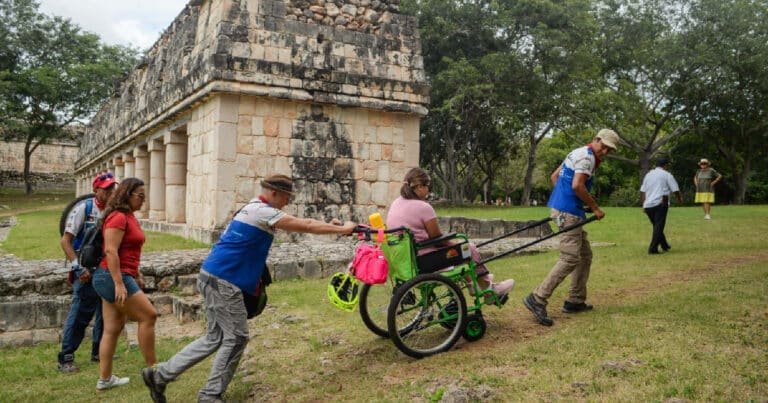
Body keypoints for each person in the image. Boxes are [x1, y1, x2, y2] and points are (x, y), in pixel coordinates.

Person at [142, 174, 356, 403]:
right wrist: (343, 230)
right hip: (225, 280)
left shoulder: (252, 207)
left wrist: (332, 226)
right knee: (237, 337)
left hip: (212, 275)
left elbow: (299, 221)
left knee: (215, 338)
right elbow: (305, 225)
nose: (287, 202)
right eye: (286, 197)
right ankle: (209, 395)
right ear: (274, 193)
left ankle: (160, 375)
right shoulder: (262, 212)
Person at [523, 128, 619, 326]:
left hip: (566, 209)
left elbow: (555, 177)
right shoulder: (588, 157)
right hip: (569, 214)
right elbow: (577, 186)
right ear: (596, 140)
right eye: (604, 147)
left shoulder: (577, 152)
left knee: (585, 255)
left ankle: (575, 300)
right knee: (569, 258)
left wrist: (565, 201)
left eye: (610, 150)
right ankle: (538, 298)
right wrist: (594, 207)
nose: (606, 152)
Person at [385, 168, 516, 299]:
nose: (429, 190)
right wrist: (455, 244)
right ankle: (489, 289)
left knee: (459, 250)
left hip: (406, 260)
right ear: (419, 186)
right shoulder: (423, 207)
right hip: (424, 260)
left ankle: (475, 280)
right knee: (467, 248)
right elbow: (437, 238)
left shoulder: (396, 202)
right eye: (428, 186)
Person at [91, 177, 157, 391]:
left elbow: (128, 251)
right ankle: (155, 371)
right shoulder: (118, 217)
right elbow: (110, 250)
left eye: (144, 196)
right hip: (111, 277)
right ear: (127, 194)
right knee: (148, 315)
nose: (143, 200)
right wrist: (119, 283)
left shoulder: (129, 217)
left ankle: (105, 379)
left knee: (112, 328)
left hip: (117, 275)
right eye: (140, 196)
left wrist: (135, 273)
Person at [57, 171, 117, 372]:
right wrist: (77, 267)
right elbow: (66, 240)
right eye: (106, 188)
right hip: (85, 271)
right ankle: (66, 357)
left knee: (104, 313)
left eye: (112, 188)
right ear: (96, 189)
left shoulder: (112, 211)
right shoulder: (85, 208)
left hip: (104, 270)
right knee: (80, 314)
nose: (110, 191)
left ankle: (98, 352)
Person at [640, 157, 683, 254]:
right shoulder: (667, 175)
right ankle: (653, 249)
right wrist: (679, 198)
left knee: (657, 226)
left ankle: (664, 245)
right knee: (659, 227)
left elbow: (642, 191)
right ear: (666, 165)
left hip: (648, 205)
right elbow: (675, 189)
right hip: (661, 203)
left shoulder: (648, 175)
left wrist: (643, 204)